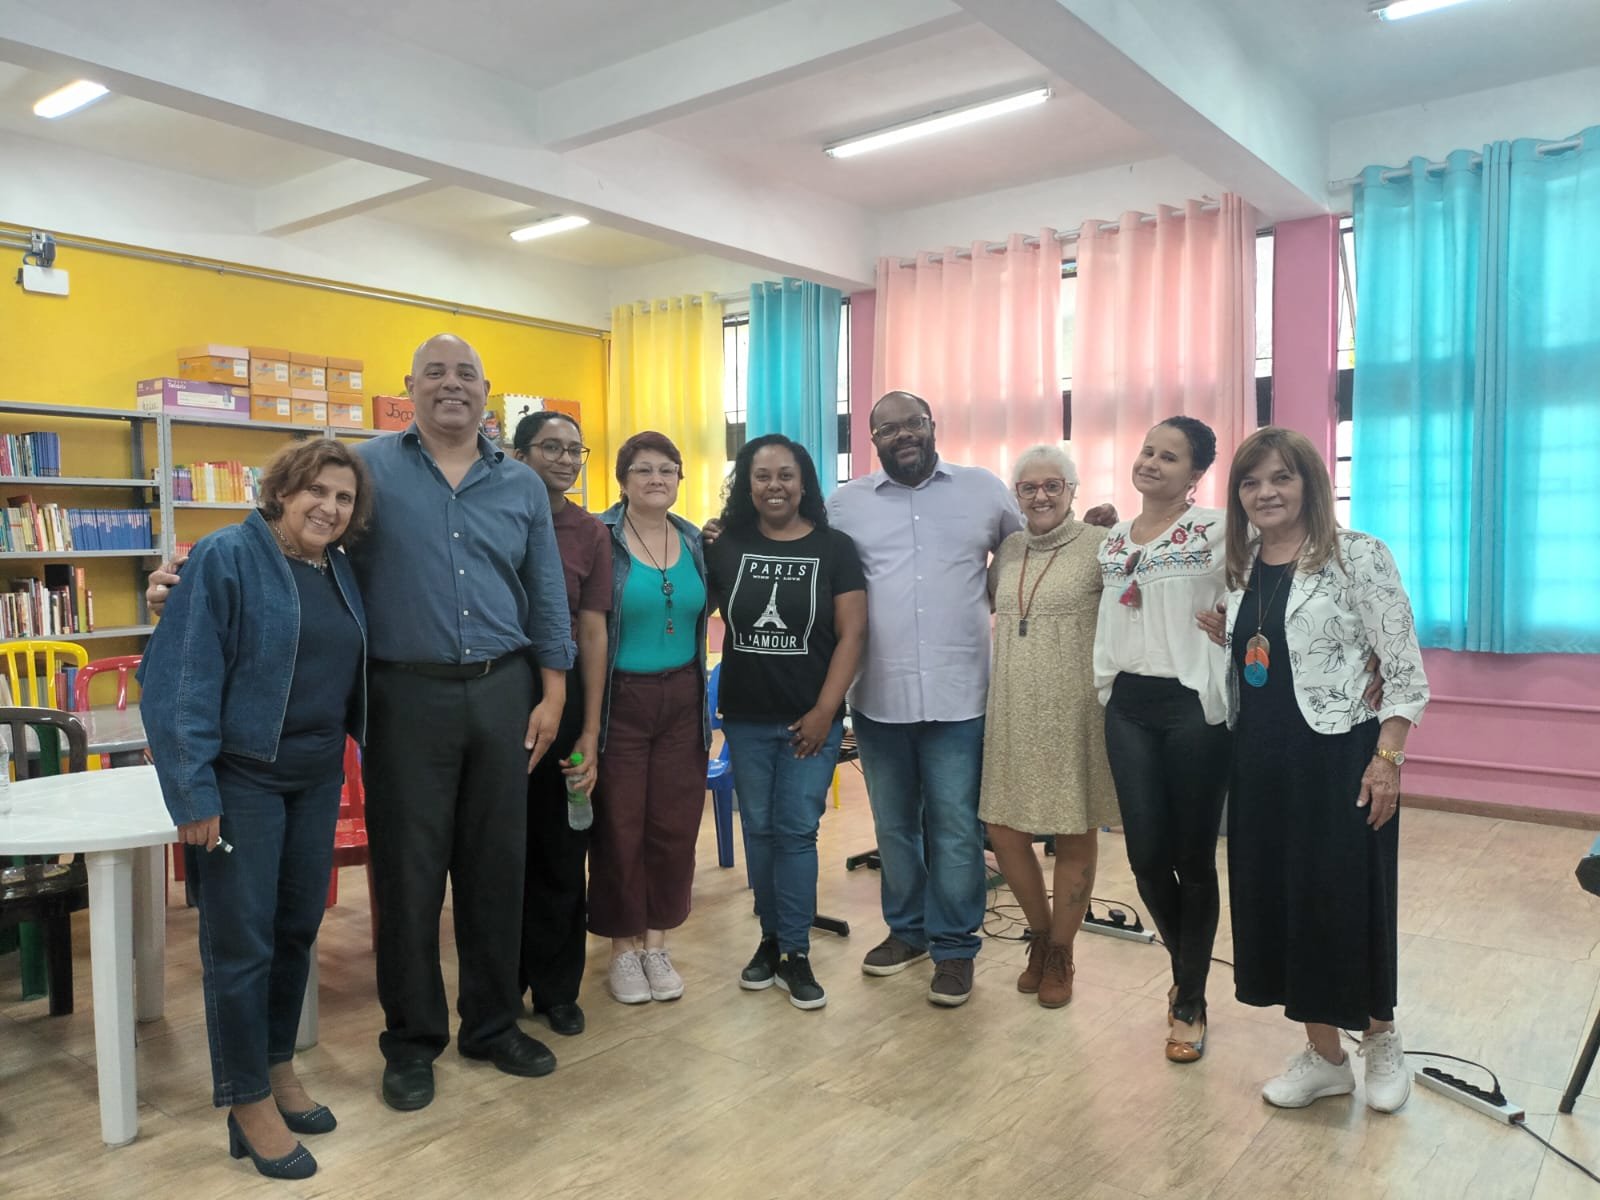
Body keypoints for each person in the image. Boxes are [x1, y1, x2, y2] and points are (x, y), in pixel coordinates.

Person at [149, 333, 575, 1114]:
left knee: (496, 868)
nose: (452, 386)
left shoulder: (519, 485)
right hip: (403, 696)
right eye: (436, 374)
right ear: (409, 386)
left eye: (467, 375)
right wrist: (182, 580)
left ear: (488, 390)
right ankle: (411, 1042)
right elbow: (284, 548)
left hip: (504, 691)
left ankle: (490, 1023)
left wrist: (552, 693)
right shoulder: (365, 468)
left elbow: (545, 594)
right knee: (408, 878)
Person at [823, 391, 1116, 1007]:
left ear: (933, 427)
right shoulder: (845, 503)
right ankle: (908, 933)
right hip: (879, 693)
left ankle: (955, 948)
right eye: (887, 428)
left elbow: (1036, 552)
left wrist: (1099, 535)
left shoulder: (984, 490)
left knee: (957, 829)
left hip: (963, 697)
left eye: (913, 424)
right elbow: (817, 569)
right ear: (871, 437)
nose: (902, 435)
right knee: (896, 827)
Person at [140, 438, 370, 1180]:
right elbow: (180, 679)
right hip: (241, 782)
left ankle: (275, 1068)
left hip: (313, 779)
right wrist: (194, 792)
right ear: (280, 490)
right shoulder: (226, 556)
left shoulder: (337, 569)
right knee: (240, 947)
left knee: (296, 931)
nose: (329, 507)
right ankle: (245, 1100)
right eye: (317, 491)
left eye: (343, 497)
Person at [1220, 426, 1428, 1113]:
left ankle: (1382, 1038)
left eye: (1280, 477)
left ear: (1310, 482)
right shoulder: (1241, 563)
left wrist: (1387, 760)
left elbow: (1402, 670)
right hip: (1258, 760)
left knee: (1347, 900)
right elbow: (1260, 646)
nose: (1265, 492)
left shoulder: (1358, 555)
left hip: (1339, 757)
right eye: (1251, 481)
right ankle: (1326, 1057)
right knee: (1281, 904)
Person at [705, 434, 866, 1011]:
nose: (775, 486)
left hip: (810, 719)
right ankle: (769, 942)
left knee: (797, 831)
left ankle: (796, 951)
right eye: (763, 476)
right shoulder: (725, 546)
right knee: (761, 831)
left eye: (786, 475)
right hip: (746, 717)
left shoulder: (835, 548)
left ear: (804, 483)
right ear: (747, 484)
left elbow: (853, 633)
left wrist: (827, 710)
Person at [1092, 417, 1230, 1062]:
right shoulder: (1113, 539)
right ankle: (1189, 969)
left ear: (1195, 475)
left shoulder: (1217, 531)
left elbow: (1266, 592)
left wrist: (1234, 627)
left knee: (1193, 859)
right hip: (1128, 705)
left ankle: (1189, 1000)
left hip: (1191, 706)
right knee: (1146, 858)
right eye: (1147, 450)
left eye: (1168, 457)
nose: (1150, 462)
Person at [980, 443, 1117, 1011]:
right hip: (1011, 704)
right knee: (1004, 830)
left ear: (1071, 491)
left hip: (1074, 707)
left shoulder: (1100, 545)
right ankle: (1039, 937)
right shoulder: (1008, 549)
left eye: (1052, 486)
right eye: (1029, 488)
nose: (1040, 496)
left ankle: (1061, 952)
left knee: (1072, 832)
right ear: (1017, 496)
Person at [591, 431, 711, 1005]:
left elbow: (700, 611)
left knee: (673, 826)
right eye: (643, 469)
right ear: (623, 479)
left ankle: (656, 943)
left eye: (668, 468)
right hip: (621, 700)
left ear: (680, 478)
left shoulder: (694, 538)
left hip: (684, 697)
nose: (656, 479)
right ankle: (621, 948)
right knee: (619, 827)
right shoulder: (601, 536)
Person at [510, 410, 611, 1037]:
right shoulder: (492, 511)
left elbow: (594, 629)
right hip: (496, 693)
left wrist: (589, 728)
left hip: (567, 693)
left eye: (577, 449)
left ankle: (557, 988)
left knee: (561, 846)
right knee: (497, 852)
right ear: (519, 454)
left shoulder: (588, 531)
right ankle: (499, 986)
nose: (567, 459)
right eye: (552, 447)